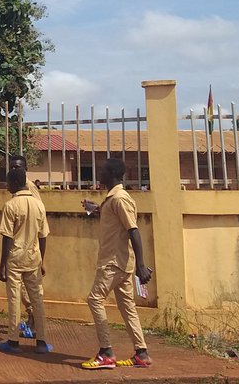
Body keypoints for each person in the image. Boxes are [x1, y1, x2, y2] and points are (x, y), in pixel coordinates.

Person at [79, 158, 153, 369]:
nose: (99, 174)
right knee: (127, 307)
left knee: (94, 299)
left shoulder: (120, 198)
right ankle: (141, 353)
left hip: (113, 263)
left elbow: (133, 230)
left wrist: (141, 264)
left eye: (102, 170)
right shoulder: (112, 199)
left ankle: (106, 352)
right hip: (121, 262)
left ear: (110, 173)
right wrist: (95, 209)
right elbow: (114, 220)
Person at [0, 167, 52, 354]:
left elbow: (7, 237)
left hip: (15, 256)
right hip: (34, 257)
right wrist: (42, 260)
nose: (6, 186)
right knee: (37, 299)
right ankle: (41, 341)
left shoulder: (10, 206)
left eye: (7, 182)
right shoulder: (39, 205)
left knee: (14, 299)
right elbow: (43, 236)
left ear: (13, 183)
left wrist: (2, 264)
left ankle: (13, 340)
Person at [8, 155, 41, 339]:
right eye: (12, 167)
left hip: (28, 247)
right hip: (19, 245)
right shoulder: (16, 186)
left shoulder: (29, 187)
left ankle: (33, 320)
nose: (15, 170)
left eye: (18, 167)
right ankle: (31, 318)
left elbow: (38, 216)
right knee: (21, 289)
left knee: (28, 289)